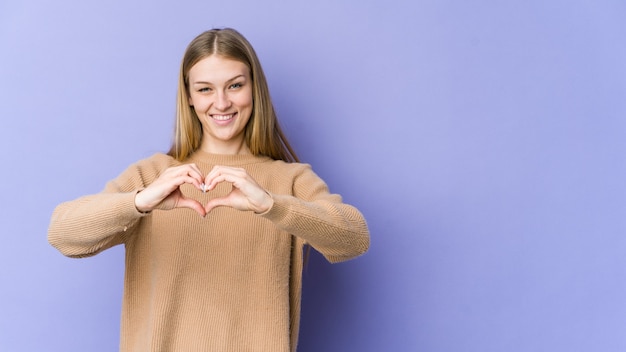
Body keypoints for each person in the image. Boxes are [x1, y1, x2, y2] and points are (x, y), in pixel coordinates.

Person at [48, 28, 370, 352]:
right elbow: (62, 233)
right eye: (205, 89)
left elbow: (355, 238)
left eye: (235, 85)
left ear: (254, 88)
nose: (222, 102)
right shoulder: (154, 176)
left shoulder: (289, 180)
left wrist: (272, 205)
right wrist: (140, 202)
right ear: (188, 96)